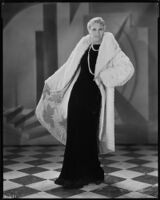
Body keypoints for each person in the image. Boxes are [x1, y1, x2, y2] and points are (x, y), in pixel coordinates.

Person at [35, 17, 135, 189]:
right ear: (89, 30)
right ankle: (71, 174)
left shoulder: (111, 47)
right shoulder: (83, 45)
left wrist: (105, 76)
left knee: (88, 134)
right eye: (94, 29)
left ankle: (91, 172)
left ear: (104, 30)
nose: (97, 32)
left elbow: (128, 68)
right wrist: (54, 83)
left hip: (94, 97)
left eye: (100, 29)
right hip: (76, 95)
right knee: (74, 133)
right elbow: (68, 67)